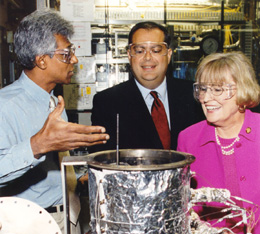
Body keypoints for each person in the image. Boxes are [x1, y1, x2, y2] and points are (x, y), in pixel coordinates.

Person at [0, 9, 109, 233]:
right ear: (41, 60)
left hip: (68, 214)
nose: (74, 60)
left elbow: (55, 164)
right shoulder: (6, 105)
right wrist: (38, 145)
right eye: (66, 54)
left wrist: (81, 175)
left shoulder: (52, 101)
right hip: (31, 223)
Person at [177, 51, 260, 234]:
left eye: (217, 89)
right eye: (203, 89)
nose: (206, 99)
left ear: (243, 89)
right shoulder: (188, 139)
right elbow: (181, 206)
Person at [90, 21, 203, 153]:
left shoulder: (194, 94)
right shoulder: (107, 102)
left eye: (155, 50)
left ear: (168, 54)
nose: (148, 57)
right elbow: (102, 159)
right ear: (129, 55)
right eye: (139, 51)